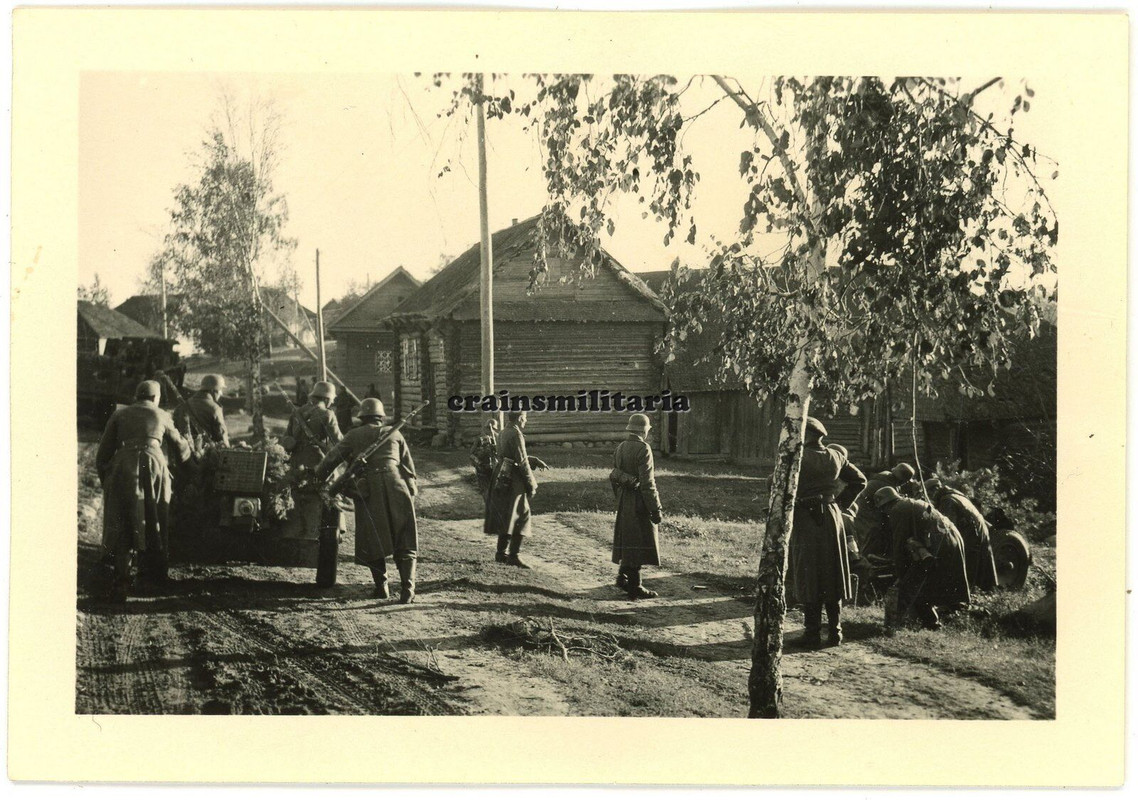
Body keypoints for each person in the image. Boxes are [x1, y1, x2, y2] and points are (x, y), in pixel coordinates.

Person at [315, 399, 420, 602]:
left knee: (373, 538)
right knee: (404, 536)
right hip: (397, 486)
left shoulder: (354, 435)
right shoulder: (395, 433)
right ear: (381, 417)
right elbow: (409, 469)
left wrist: (318, 476)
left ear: (361, 418)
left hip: (369, 489)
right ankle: (408, 589)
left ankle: (382, 587)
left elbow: (331, 460)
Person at [96, 380, 191, 602]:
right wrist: (191, 464)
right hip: (154, 468)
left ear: (137, 396)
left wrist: (108, 481)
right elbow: (179, 445)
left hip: (123, 469)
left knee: (122, 523)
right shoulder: (162, 415)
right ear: (156, 397)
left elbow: (103, 454)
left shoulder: (119, 414)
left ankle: (121, 581)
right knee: (153, 519)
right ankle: (149, 580)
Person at [788, 418, 867, 647]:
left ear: (806, 435)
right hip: (832, 519)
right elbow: (859, 481)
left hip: (805, 518)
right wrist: (838, 503)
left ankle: (812, 634)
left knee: (808, 572)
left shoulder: (797, 456)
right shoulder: (837, 455)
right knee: (833, 572)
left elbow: (775, 482)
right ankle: (835, 632)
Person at [874, 486, 970, 631]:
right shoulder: (910, 503)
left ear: (885, 504)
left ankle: (929, 624)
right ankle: (929, 622)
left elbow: (899, 543)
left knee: (918, 584)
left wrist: (900, 574)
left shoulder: (898, 509)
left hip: (941, 545)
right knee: (929, 584)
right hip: (951, 540)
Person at [610, 414, 664, 600]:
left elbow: (615, 477)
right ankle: (635, 586)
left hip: (625, 499)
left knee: (628, 539)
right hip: (639, 501)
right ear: (644, 430)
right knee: (639, 541)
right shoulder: (644, 449)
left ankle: (622, 576)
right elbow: (648, 483)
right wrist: (655, 508)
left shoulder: (621, 447)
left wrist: (620, 498)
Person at [485, 410, 537, 568]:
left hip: (501, 475)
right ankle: (513, 556)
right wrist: (531, 484)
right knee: (522, 514)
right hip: (513, 479)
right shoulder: (516, 434)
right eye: (525, 418)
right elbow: (521, 462)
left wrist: (534, 459)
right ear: (520, 418)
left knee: (507, 514)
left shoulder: (502, 432)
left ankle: (500, 553)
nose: (525, 422)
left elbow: (509, 455)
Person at [928, 479, 999, 592]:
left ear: (936, 489)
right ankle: (984, 590)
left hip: (972, 533)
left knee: (962, 562)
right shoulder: (955, 495)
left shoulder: (948, 501)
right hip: (979, 530)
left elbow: (947, 528)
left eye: (930, 493)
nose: (931, 497)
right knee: (981, 566)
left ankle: (964, 593)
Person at [852, 462, 917, 558]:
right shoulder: (886, 483)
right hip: (868, 512)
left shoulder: (888, 477)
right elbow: (891, 502)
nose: (906, 483)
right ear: (901, 478)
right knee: (874, 532)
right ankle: (868, 559)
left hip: (869, 508)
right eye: (905, 481)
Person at [283, 381, 343, 473]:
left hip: (295, 461)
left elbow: (286, 437)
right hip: (316, 462)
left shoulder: (297, 412)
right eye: (331, 400)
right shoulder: (327, 414)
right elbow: (338, 441)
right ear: (326, 399)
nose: (332, 402)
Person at [172, 373, 230, 446]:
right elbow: (222, 438)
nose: (221, 393)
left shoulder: (182, 406)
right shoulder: (214, 408)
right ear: (212, 391)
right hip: (206, 454)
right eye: (220, 389)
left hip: (184, 453)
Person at [470, 417, 500, 501]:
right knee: (485, 490)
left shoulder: (498, 438)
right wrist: (478, 462)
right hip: (483, 468)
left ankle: (493, 507)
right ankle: (489, 506)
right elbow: (472, 454)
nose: (490, 431)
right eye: (488, 428)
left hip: (495, 467)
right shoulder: (480, 439)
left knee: (494, 489)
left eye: (492, 429)